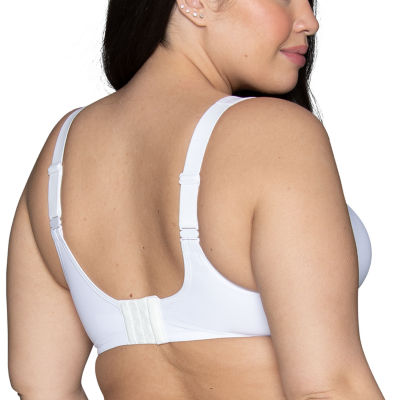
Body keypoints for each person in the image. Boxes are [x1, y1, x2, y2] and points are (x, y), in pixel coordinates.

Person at [7, 0, 384, 399]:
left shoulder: (59, 156)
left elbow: (41, 387)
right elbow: (331, 387)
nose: (309, 21)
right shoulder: (273, 134)